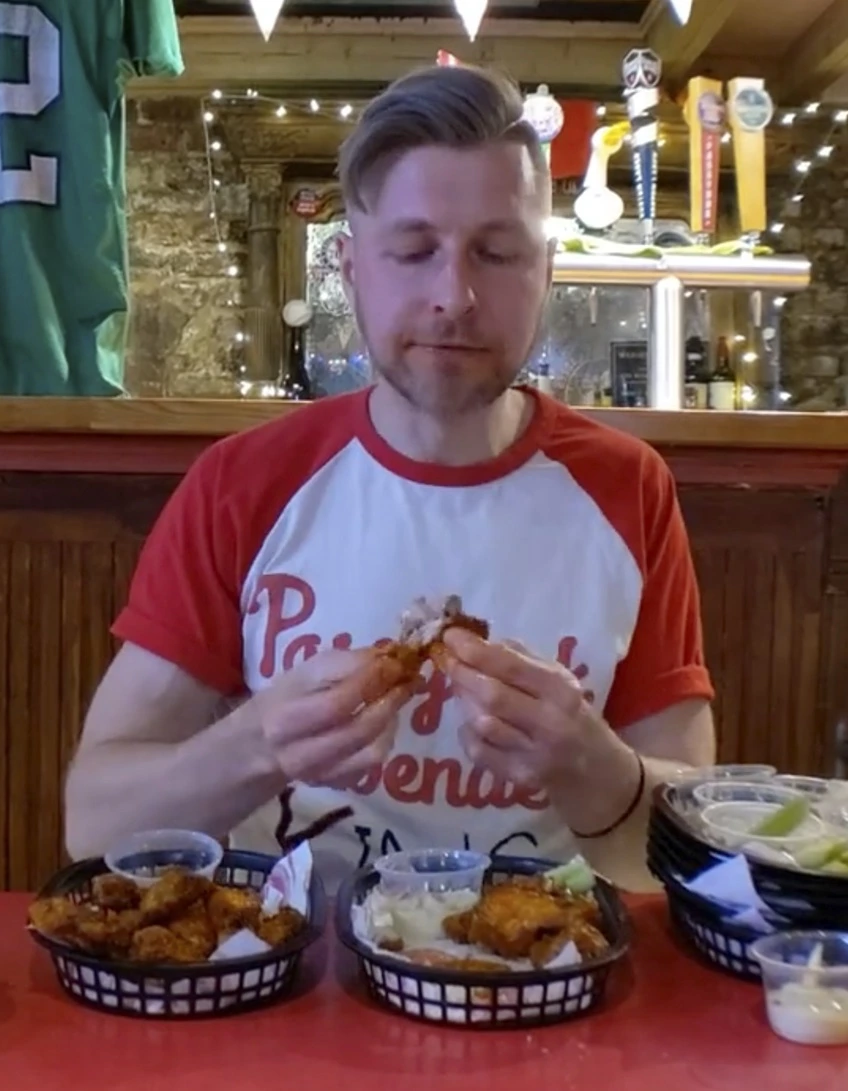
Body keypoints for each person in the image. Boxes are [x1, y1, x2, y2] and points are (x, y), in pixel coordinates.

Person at [64, 63, 716, 887]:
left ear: (544, 271)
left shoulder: (629, 489)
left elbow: (689, 853)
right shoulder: (244, 483)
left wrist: (592, 763)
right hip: (291, 977)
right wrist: (258, 743)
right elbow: (93, 824)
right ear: (350, 268)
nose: (455, 294)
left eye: (497, 251)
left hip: (545, 979)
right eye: (413, 251)